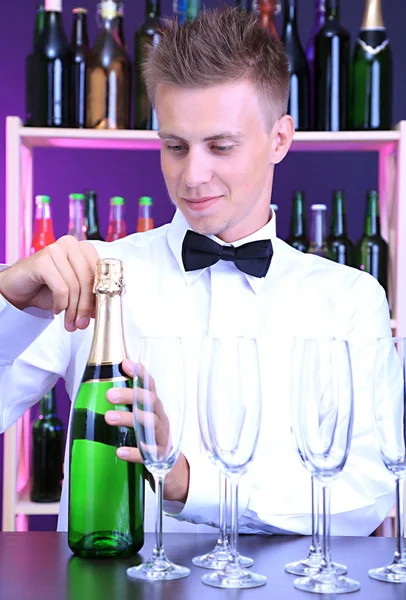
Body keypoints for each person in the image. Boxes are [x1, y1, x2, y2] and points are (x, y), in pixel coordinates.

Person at [0, 8, 395, 535]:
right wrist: (9, 299)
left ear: (280, 139)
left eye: (221, 146)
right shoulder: (100, 275)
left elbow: (365, 496)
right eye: (175, 146)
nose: (193, 176)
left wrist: (186, 481)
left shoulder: (350, 298)